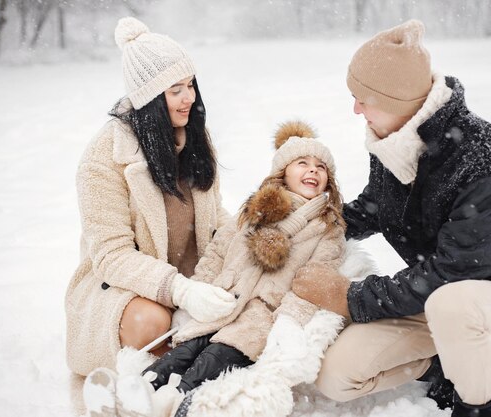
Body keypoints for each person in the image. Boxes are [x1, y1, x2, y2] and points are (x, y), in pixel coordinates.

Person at [292, 19, 491, 417]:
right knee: (336, 377)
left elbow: (457, 273)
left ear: (397, 100)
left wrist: (349, 296)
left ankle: (475, 403)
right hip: (432, 297)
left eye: (364, 98)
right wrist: (302, 224)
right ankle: (443, 362)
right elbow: (373, 208)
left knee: (454, 305)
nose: (355, 108)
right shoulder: (393, 142)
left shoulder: (483, 160)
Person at [84, 120, 348, 417]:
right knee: (184, 351)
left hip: (259, 316)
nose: (313, 170)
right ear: (282, 171)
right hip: (222, 302)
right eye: (302, 162)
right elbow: (218, 252)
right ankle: (136, 392)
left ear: (329, 181)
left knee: (213, 358)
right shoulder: (256, 211)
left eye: (321, 167)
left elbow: (315, 281)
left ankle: (170, 403)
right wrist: (200, 290)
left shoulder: (328, 229)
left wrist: (288, 323)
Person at [65, 16, 237, 378]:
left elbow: (214, 217)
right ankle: (162, 378)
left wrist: (245, 240)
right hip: (122, 288)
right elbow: (112, 256)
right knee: (153, 321)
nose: (189, 97)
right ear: (150, 99)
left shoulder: (193, 138)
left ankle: (199, 364)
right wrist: (181, 291)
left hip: (193, 276)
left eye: (190, 85)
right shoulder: (104, 159)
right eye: (175, 89)